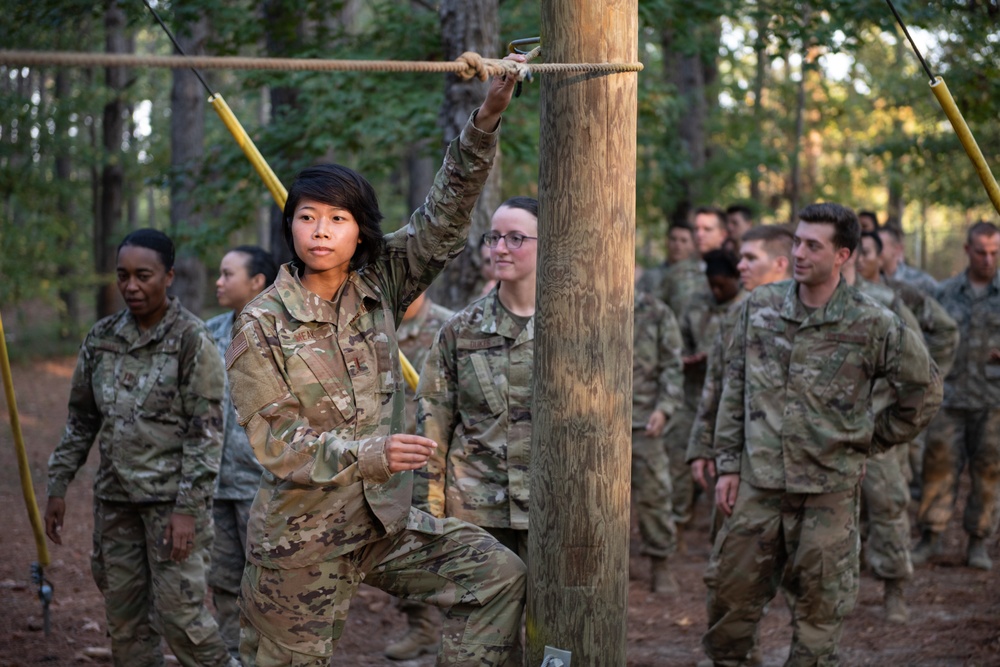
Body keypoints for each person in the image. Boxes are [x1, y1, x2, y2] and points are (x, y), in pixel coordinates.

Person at [224, 63, 526, 667]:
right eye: (307, 216)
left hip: (381, 524)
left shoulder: (379, 283)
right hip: (300, 540)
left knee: (496, 575)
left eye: (337, 219)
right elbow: (277, 441)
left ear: (359, 232)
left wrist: (486, 119)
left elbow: (443, 217)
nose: (320, 231)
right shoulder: (262, 321)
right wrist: (372, 454)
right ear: (291, 226)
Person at [703, 203, 942, 666]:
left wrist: (871, 439)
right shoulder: (760, 306)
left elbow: (924, 390)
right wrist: (728, 465)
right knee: (729, 610)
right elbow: (736, 387)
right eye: (796, 241)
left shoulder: (872, 321)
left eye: (814, 245)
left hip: (828, 492)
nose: (799, 252)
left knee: (819, 618)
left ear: (843, 255)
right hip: (760, 486)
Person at [44, 229, 236, 667]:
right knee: (125, 619)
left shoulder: (192, 340)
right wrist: (59, 484)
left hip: (172, 507)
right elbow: (82, 419)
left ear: (168, 276)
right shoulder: (102, 337)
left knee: (181, 619)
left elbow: (206, 432)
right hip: (116, 502)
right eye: (123, 275)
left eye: (143, 275)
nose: (131, 286)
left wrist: (189, 508)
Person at [416, 197, 539, 664]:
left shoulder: (574, 326)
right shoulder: (460, 330)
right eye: (493, 237)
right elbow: (433, 420)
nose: (500, 248)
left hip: (554, 516)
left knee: (554, 643)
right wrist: (431, 512)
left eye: (515, 238)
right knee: (474, 651)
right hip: (477, 517)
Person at [841, 239, 924, 624]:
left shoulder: (881, 300)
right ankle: (841, 590)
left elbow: (916, 361)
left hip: (874, 432)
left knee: (889, 508)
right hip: (826, 435)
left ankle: (895, 590)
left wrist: (891, 417)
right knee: (835, 515)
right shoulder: (806, 302)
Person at [913, 221, 1000, 571]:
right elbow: (921, 337)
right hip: (948, 398)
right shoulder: (944, 293)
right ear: (967, 250)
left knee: (989, 472)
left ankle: (978, 541)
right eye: (981, 251)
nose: (987, 259)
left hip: (994, 401)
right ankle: (930, 538)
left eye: (994, 252)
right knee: (937, 468)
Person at [205, 245, 278, 659]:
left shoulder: (285, 335)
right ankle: (230, 655)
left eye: (227, 274)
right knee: (223, 580)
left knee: (266, 583)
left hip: (263, 486)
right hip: (216, 484)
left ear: (257, 282)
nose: (219, 281)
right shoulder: (208, 333)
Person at [857, 231, 960, 496]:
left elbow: (945, 330)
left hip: (886, 414)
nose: (858, 259)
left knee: (889, 498)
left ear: (881, 258)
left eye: (865, 252)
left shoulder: (898, 294)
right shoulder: (838, 298)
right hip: (853, 423)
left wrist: (918, 377)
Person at [383, 289, 455, 661]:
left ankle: (457, 634)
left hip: (439, 457)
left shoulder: (447, 325)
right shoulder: (380, 326)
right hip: (391, 462)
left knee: (449, 544)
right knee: (406, 546)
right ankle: (421, 629)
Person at [669, 248, 743, 541]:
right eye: (711, 284)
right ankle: (678, 530)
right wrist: (688, 358)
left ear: (736, 279)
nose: (716, 290)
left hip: (731, 403)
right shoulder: (696, 304)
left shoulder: (749, 307)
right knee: (680, 465)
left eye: (722, 284)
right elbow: (678, 343)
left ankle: (724, 534)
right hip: (693, 398)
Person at [631, 269, 684, 593]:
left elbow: (672, 367)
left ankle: (660, 562)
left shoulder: (657, 312)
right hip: (592, 423)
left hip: (643, 421)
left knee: (655, 495)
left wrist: (664, 409)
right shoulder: (585, 305)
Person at [878, 223, 938, 295]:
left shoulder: (921, 282)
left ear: (897, 249)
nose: (876, 251)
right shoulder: (871, 281)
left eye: (879, 246)